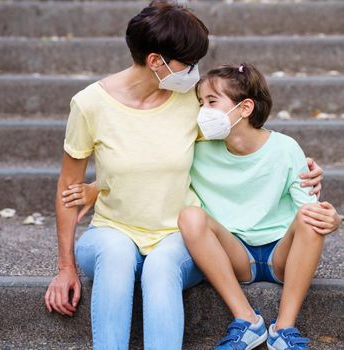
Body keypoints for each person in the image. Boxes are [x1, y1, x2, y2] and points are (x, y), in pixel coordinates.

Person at [50, 2, 325, 349]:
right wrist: (65, 266)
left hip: (175, 235)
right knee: (116, 256)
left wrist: (304, 168)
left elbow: (242, 128)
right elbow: (67, 188)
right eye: (189, 62)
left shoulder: (190, 102)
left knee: (161, 266)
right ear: (155, 61)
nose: (195, 71)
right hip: (111, 229)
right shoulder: (89, 104)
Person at [178, 63, 341, 350]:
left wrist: (332, 220)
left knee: (310, 216)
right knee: (190, 216)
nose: (203, 111)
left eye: (212, 102)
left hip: (282, 255)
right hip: (236, 254)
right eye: (201, 103)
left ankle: (284, 329)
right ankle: (247, 321)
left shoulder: (286, 148)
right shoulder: (195, 151)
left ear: (245, 108)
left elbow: (312, 210)